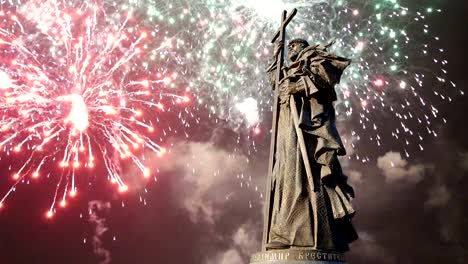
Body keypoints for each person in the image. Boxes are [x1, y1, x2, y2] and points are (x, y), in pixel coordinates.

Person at [265, 38, 358, 251]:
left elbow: (327, 79)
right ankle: (283, 231)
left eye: (294, 45)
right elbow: (275, 84)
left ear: (304, 47)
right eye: (289, 46)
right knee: (284, 176)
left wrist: (298, 86)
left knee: (300, 177)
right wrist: (275, 58)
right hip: (286, 127)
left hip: (306, 129)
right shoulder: (288, 69)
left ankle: (301, 232)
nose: (291, 48)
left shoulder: (312, 58)